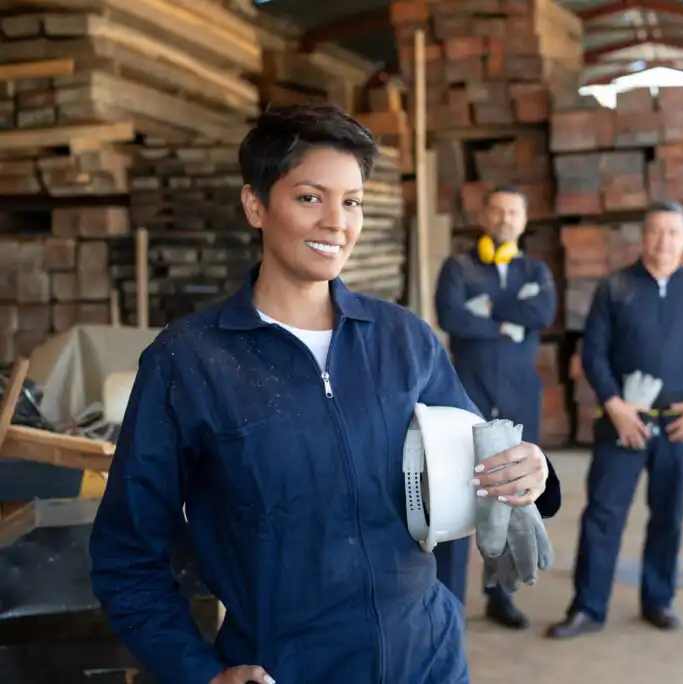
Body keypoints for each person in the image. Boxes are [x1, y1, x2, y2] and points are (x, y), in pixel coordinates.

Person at [88, 104, 563, 684]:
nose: (337, 222)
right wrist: (197, 674)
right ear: (256, 205)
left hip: (430, 659)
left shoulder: (403, 339)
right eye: (310, 197)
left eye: (352, 200)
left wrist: (531, 474)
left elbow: (478, 461)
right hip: (289, 669)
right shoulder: (190, 362)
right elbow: (126, 556)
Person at [546, 201, 683, 639]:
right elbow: (594, 353)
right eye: (657, 231)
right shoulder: (616, 287)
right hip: (622, 420)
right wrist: (613, 404)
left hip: (676, 423)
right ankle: (588, 607)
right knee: (604, 514)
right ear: (643, 237)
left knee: (668, 514)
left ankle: (658, 600)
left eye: (673, 233)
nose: (664, 241)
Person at [433, 185, 558, 629]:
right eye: (498, 210)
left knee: (509, 493)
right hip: (466, 392)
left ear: (524, 222)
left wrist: (488, 310)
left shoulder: (535, 270)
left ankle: (500, 595)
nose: (505, 219)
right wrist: (512, 321)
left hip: (520, 392)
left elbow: (542, 313)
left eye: (514, 212)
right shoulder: (458, 267)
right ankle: (449, 602)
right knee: (456, 493)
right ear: (483, 216)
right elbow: (452, 317)